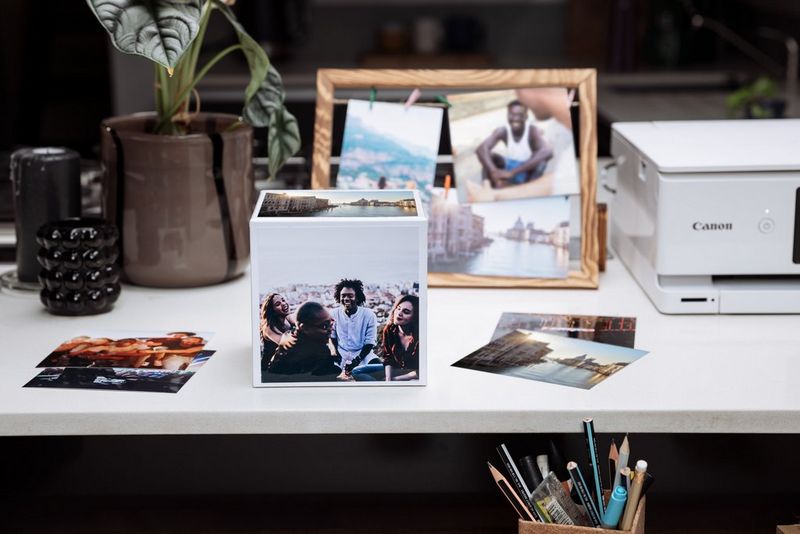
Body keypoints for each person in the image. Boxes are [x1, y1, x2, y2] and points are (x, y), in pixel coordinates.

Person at [476, 100, 553, 189]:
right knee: (488, 157)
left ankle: (528, 188)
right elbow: (481, 149)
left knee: (541, 162)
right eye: (512, 114)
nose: (515, 118)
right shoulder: (502, 130)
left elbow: (547, 151)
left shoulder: (533, 130)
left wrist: (512, 172)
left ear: (526, 116)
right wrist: (493, 171)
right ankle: (489, 188)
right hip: (509, 165)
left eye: (520, 115)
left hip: (527, 169)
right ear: (507, 115)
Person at [264, 301, 341, 381]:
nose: (330, 329)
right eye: (325, 326)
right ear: (304, 327)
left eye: (331, 322)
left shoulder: (290, 335)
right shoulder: (313, 352)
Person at [352, 295, 419, 382]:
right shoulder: (390, 330)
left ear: (415, 317)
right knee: (357, 371)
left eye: (406, 312)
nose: (399, 313)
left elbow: (422, 370)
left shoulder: (419, 337)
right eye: (398, 308)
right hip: (397, 368)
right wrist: (388, 379)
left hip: (414, 374)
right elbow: (389, 358)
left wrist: (395, 379)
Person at [329, 279, 377, 377]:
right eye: (343, 296)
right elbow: (332, 337)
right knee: (330, 371)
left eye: (350, 295)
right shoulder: (334, 314)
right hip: (341, 351)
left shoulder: (369, 315)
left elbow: (369, 342)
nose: (346, 298)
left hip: (362, 352)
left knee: (376, 366)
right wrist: (336, 354)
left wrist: (358, 360)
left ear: (357, 298)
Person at [258, 293, 296, 373]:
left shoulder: (288, 318)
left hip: (285, 363)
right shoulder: (268, 328)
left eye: (283, 300)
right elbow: (287, 344)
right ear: (272, 311)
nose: (284, 304)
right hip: (268, 369)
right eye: (277, 304)